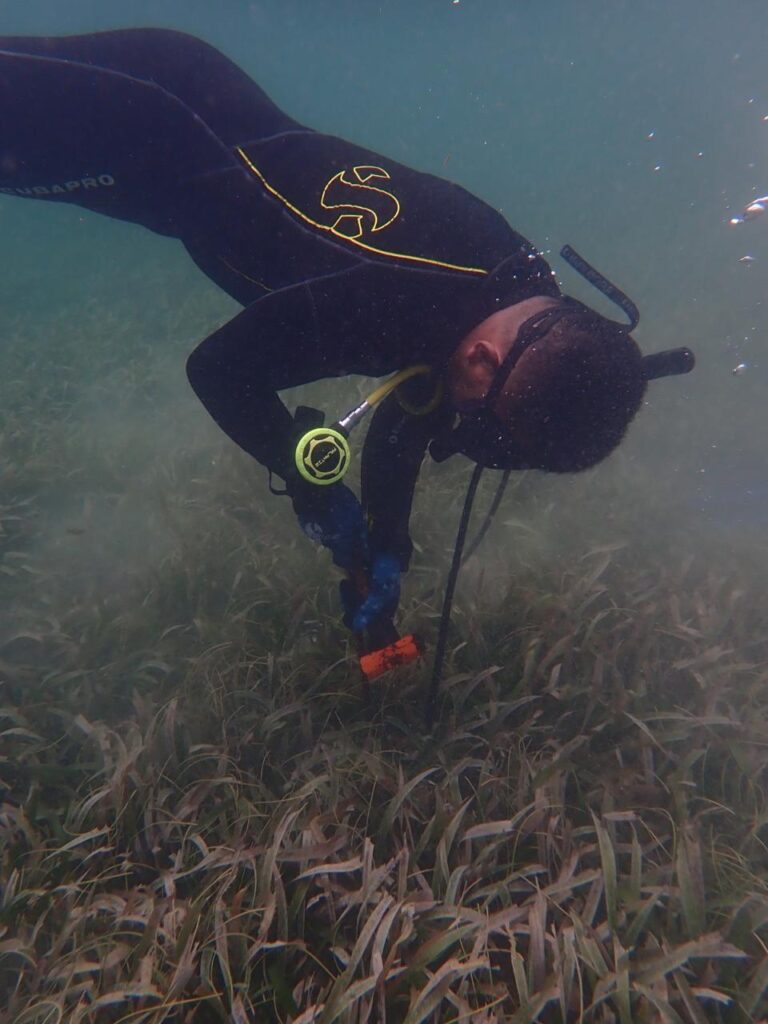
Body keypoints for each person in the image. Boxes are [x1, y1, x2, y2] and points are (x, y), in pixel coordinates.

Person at [0, 28, 693, 646]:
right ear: (484, 360)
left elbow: (412, 411)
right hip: (148, 112)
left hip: (172, 144)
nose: (459, 425)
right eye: (482, 418)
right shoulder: (393, 300)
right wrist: (306, 474)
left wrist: (385, 544)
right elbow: (219, 370)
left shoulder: (513, 290)